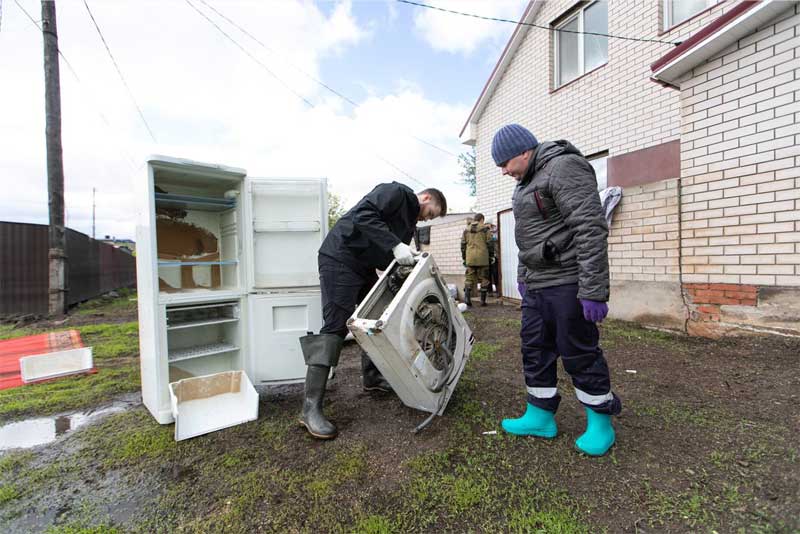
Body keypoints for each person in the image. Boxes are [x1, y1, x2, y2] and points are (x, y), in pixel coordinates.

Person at [491, 123, 621, 456]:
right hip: (537, 284)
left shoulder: (563, 167)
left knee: (578, 349)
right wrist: (523, 273)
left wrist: (593, 290)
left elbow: (589, 227)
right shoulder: (524, 183)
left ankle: (600, 423)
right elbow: (526, 235)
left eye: (504, 163)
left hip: (567, 281)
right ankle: (540, 414)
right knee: (534, 348)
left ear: (523, 151)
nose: (503, 171)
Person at [299, 182, 447, 440]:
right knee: (334, 326)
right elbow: (363, 215)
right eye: (431, 213)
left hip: (363, 267)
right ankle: (309, 409)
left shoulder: (409, 225)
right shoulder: (397, 193)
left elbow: (390, 255)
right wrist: (395, 245)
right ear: (425, 197)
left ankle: (372, 378)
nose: (427, 219)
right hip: (339, 258)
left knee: (374, 318)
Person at [461, 213, 494, 306]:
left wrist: (464, 257)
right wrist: (491, 256)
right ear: (482, 220)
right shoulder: (485, 229)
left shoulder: (466, 230)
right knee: (484, 278)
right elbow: (490, 243)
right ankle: (483, 301)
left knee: (469, 279)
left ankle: (467, 299)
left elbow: (463, 245)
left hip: (470, 258)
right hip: (483, 258)